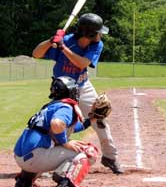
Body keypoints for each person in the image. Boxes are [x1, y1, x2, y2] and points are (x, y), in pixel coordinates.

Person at [32, 13, 123, 174]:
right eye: (98, 32)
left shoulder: (96, 45)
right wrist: (51, 40)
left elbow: (82, 63)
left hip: (83, 85)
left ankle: (110, 156)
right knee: (59, 124)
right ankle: (48, 162)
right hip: (63, 90)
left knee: (99, 119)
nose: (101, 35)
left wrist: (63, 48)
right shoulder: (66, 41)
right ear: (89, 33)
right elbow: (36, 54)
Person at [14, 76, 99, 187]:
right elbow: (57, 124)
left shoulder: (50, 106)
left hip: (21, 158)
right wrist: (65, 142)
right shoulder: (65, 107)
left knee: (43, 145)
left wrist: (91, 120)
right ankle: (65, 183)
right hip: (34, 158)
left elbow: (65, 127)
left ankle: (24, 181)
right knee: (88, 152)